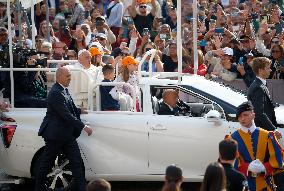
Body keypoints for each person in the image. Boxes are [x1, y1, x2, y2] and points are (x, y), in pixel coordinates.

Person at [35, 67, 93, 191]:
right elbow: (65, 114)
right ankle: (39, 188)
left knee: (76, 162)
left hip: (67, 135)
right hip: (55, 135)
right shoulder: (56, 92)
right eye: (68, 76)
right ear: (59, 77)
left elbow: (69, 108)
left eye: (70, 76)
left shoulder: (63, 90)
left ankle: (81, 188)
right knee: (46, 164)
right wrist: (83, 127)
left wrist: (79, 110)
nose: (70, 79)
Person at [229, 101, 283, 191]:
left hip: (265, 184)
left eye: (245, 115)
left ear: (253, 115)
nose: (242, 119)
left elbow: (278, 159)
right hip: (243, 185)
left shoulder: (267, 135)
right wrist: (247, 167)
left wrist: (264, 168)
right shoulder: (232, 138)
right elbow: (231, 163)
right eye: (239, 116)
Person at [247, 57, 281, 133]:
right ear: (260, 70)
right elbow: (260, 113)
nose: (270, 70)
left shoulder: (260, 84)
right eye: (268, 68)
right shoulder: (258, 87)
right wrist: (273, 130)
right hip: (263, 131)